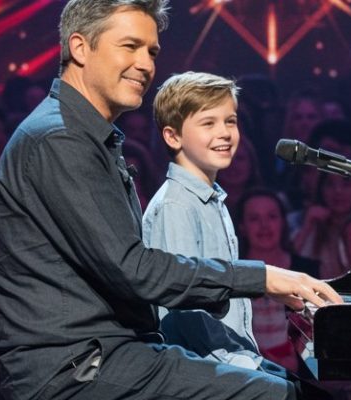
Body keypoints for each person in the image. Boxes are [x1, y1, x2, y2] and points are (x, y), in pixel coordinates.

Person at [0, 1, 341, 400]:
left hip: (112, 355)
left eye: (151, 52)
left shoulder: (82, 136)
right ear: (80, 47)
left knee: (300, 390)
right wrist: (262, 279)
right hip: (74, 369)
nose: (145, 65)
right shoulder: (60, 139)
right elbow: (134, 270)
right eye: (130, 46)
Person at [143, 70, 266, 371]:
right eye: (208, 123)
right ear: (173, 136)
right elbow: (185, 303)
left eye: (230, 121)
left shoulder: (210, 199)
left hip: (230, 357)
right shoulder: (176, 205)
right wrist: (242, 367)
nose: (224, 132)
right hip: (206, 366)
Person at [235, 188, 320, 372]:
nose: (264, 226)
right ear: (242, 226)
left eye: (272, 216)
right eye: (254, 218)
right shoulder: (232, 275)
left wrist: (299, 364)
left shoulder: (309, 271)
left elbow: (320, 337)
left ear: (283, 222)